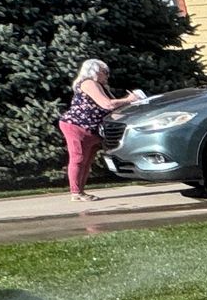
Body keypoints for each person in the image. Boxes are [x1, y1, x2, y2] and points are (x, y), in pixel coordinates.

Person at [59, 59, 144, 202]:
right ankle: (76, 193)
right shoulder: (88, 83)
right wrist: (129, 99)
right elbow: (107, 104)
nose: (107, 75)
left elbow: (113, 110)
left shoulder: (101, 86)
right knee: (78, 158)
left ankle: (80, 191)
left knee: (86, 161)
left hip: (92, 129)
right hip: (76, 126)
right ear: (95, 71)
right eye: (105, 72)